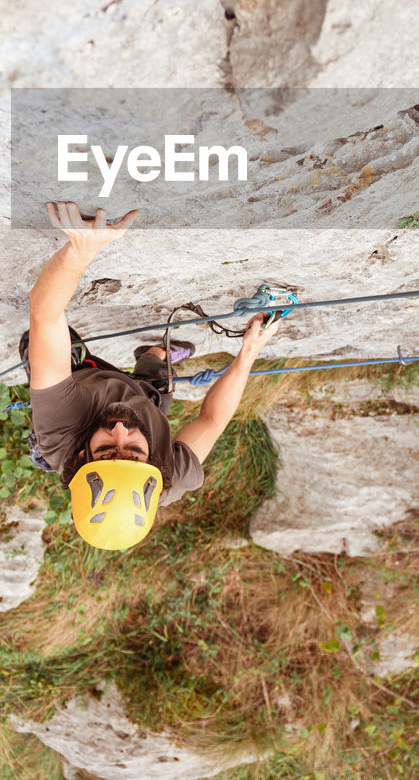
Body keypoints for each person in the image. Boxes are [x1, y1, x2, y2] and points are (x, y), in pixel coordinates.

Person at [25, 201, 280, 551]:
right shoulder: (168, 478)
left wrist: (82, 248)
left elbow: (45, 315)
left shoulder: (61, 430)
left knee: (37, 341)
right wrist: (249, 351)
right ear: (154, 468)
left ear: (83, 456)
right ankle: (153, 357)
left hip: (85, 379)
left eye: (106, 450)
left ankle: (138, 367)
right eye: (133, 451)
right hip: (144, 401)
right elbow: (212, 420)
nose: (120, 430)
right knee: (154, 380)